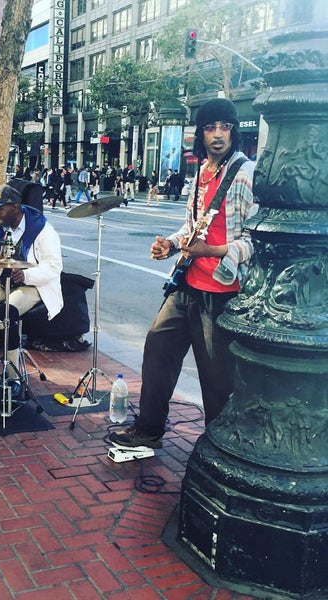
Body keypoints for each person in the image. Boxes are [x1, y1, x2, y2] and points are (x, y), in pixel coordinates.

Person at [110, 98, 255, 449]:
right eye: (210, 128)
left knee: (215, 377)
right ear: (200, 133)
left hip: (222, 290)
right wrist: (171, 245)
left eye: (225, 127)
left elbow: (255, 240)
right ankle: (149, 428)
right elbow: (193, 227)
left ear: (235, 131)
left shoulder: (247, 174)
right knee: (158, 350)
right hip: (187, 283)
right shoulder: (201, 172)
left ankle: (218, 448)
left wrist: (214, 252)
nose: (218, 135)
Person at [0, 184, 63, 390]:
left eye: (0, 208)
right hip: (4, 282)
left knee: (6, 313)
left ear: (15, 207)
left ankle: (12, 377)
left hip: (34, 285)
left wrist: (26, 274)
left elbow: (54, 267)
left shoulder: (43, 229)